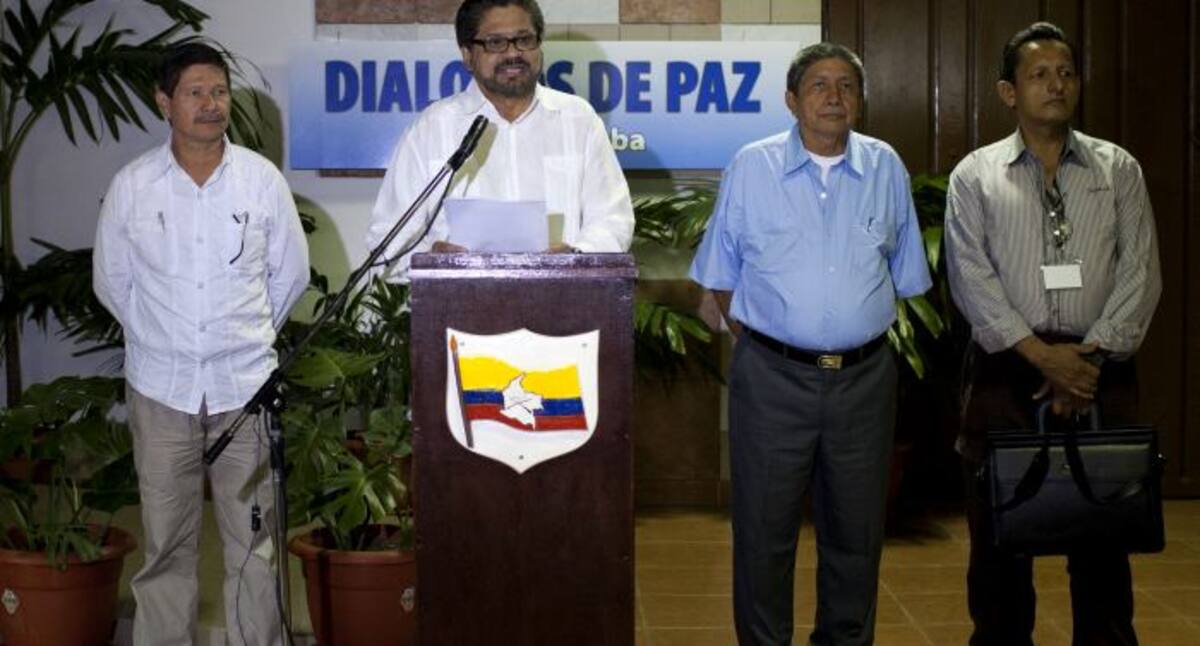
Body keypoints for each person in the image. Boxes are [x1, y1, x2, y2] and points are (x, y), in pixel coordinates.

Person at [690, 43, 932, 645]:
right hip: (772, 382)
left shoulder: (886, 168)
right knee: (763, 535)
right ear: (792, 100)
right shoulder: (752, 166)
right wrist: (779, 346)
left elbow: (904, 279)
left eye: (847, 85)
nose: (834, 96)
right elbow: (720, 279)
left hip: (864, 382)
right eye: (820, 85)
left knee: (856, 536)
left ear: (859, 99)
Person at [944, 21, 1162, 646]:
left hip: (1102, 371)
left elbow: (1141, 272)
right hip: (1008, 372)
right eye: (1039, 74)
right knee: (999, 543)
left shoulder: (1117, 167)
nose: (1056, 84)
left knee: (1103, 540)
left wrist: (1084, 362)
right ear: (1008, 92)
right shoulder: (976, 175)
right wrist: (1043, 359)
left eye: (1066, 73)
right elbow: (971, 277)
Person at [92, 43, 309, 646]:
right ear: (165, 102)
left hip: (246, 393)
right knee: (165, 545)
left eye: (218, 91)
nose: (211, 105)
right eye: (195, 92)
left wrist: (242, 341)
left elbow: (289, 278)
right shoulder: (134, 185)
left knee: (254, 546)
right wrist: (164, 342)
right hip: (162, 394)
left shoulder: (261, 182)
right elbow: (112, 283)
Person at [367, 0, 634, 274]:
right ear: (468, 55)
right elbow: (387, 239)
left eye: (524, 40)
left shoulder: (578, 119)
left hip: (564, 302)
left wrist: (576, 256)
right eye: (495, 43)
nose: (513, 54)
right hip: (460, 307)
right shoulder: (433, 128)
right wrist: (432, 259)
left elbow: (614, 219)